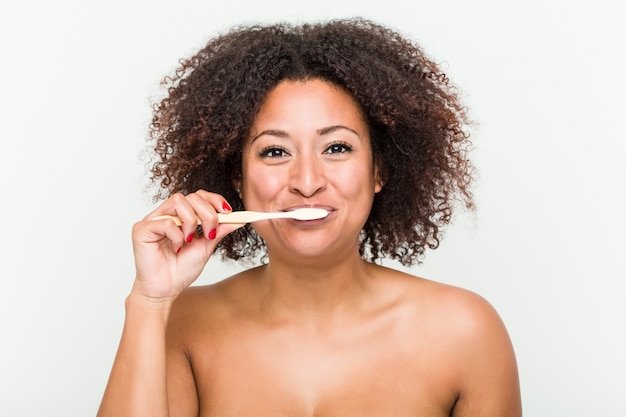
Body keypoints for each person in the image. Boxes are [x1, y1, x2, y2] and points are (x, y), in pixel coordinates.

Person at [97, 17, 521, 417]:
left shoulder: (465, 332)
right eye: (275, 151)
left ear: (380, 170)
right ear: (238, 179)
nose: (306, 180)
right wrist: (149, 303)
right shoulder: (182, 324)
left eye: (336, 148)